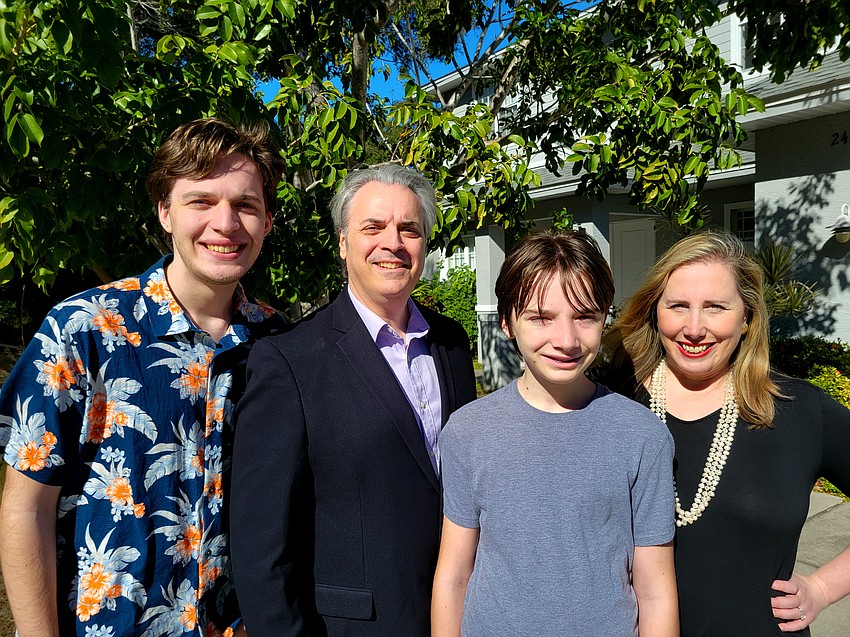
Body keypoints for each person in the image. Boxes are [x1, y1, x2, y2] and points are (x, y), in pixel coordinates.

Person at [0, 117, 286, 637]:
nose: (226, 223)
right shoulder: (83, 330)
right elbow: (26, 510)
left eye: (246, 204)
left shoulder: (279, 344)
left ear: (267, 222)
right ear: (165, 213)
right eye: (201, 201)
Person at [229, 164, 478, 636]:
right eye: (373, 227)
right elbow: (263, 550)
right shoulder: (290, 360)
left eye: (409, 228)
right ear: (343, 243)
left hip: (461, 616)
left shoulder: (452, 345)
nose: (393, 242)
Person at [432, 230, 678, 637]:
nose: (566, 340)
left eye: (584, 317)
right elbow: (454, 574)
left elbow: (655, 590)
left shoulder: (642, 436)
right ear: (508, 322)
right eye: (541, 318)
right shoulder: (467, 432)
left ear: (605, 317)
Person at [603, 231, 850, 636]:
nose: (694, 328)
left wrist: (822, 587)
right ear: (654, 311)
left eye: (716, 307)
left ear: (747, 316)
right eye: (678, 306)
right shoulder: (612, 405)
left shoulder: (799, 410)